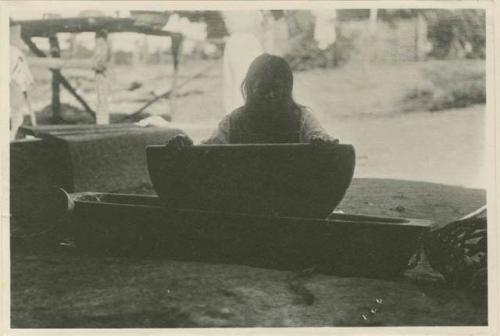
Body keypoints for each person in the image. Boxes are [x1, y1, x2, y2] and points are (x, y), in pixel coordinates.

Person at [167, 54, 338, 147]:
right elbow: (210, 150)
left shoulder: (302, 119)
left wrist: (322, 143)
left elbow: (323, 140)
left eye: (276, 89)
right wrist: (186, 148)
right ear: (250, 88)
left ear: (286, 89)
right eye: (263, 89)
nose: (270, 95)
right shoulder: (234, 121)